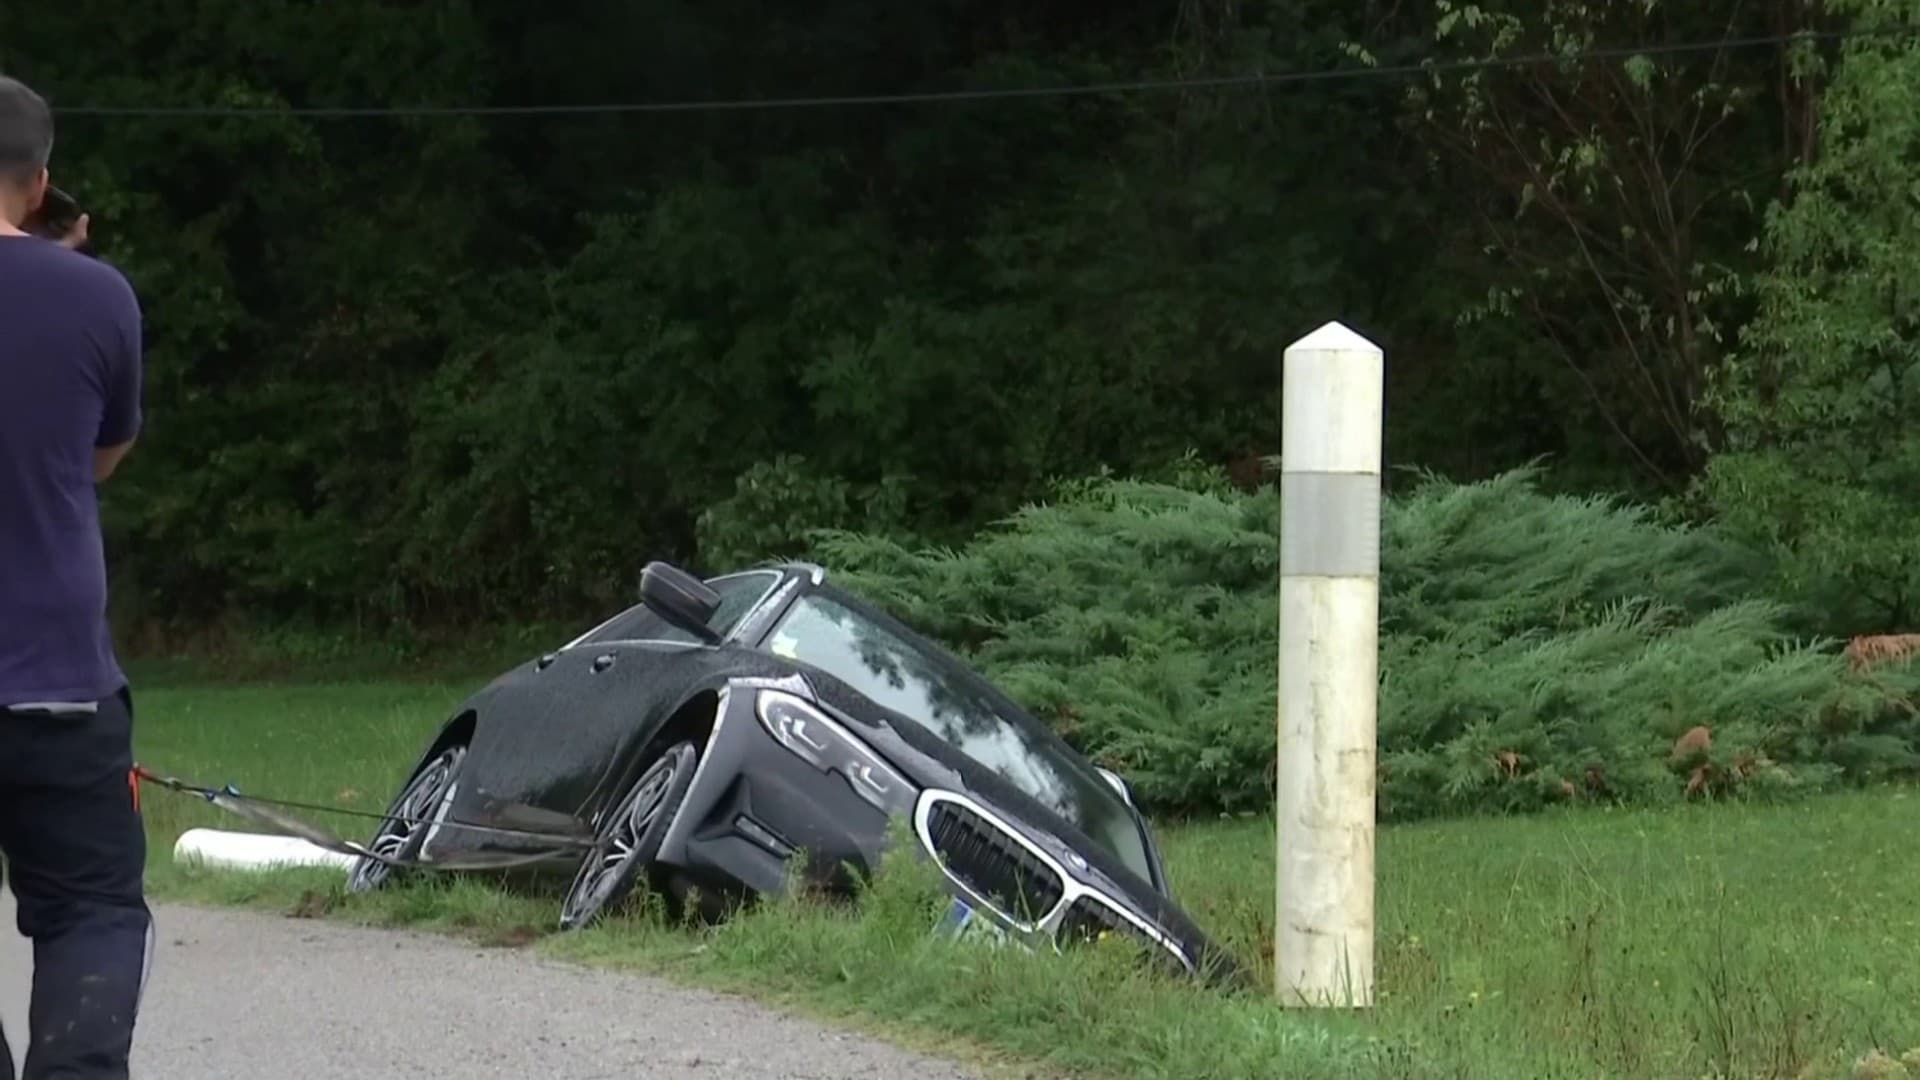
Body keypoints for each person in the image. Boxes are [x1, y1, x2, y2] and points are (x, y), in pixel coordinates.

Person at [0, 74, 152, 1080]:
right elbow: (99, 458)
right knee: (91, 910)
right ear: (40, 178)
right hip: (57, 683)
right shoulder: (98, 297)